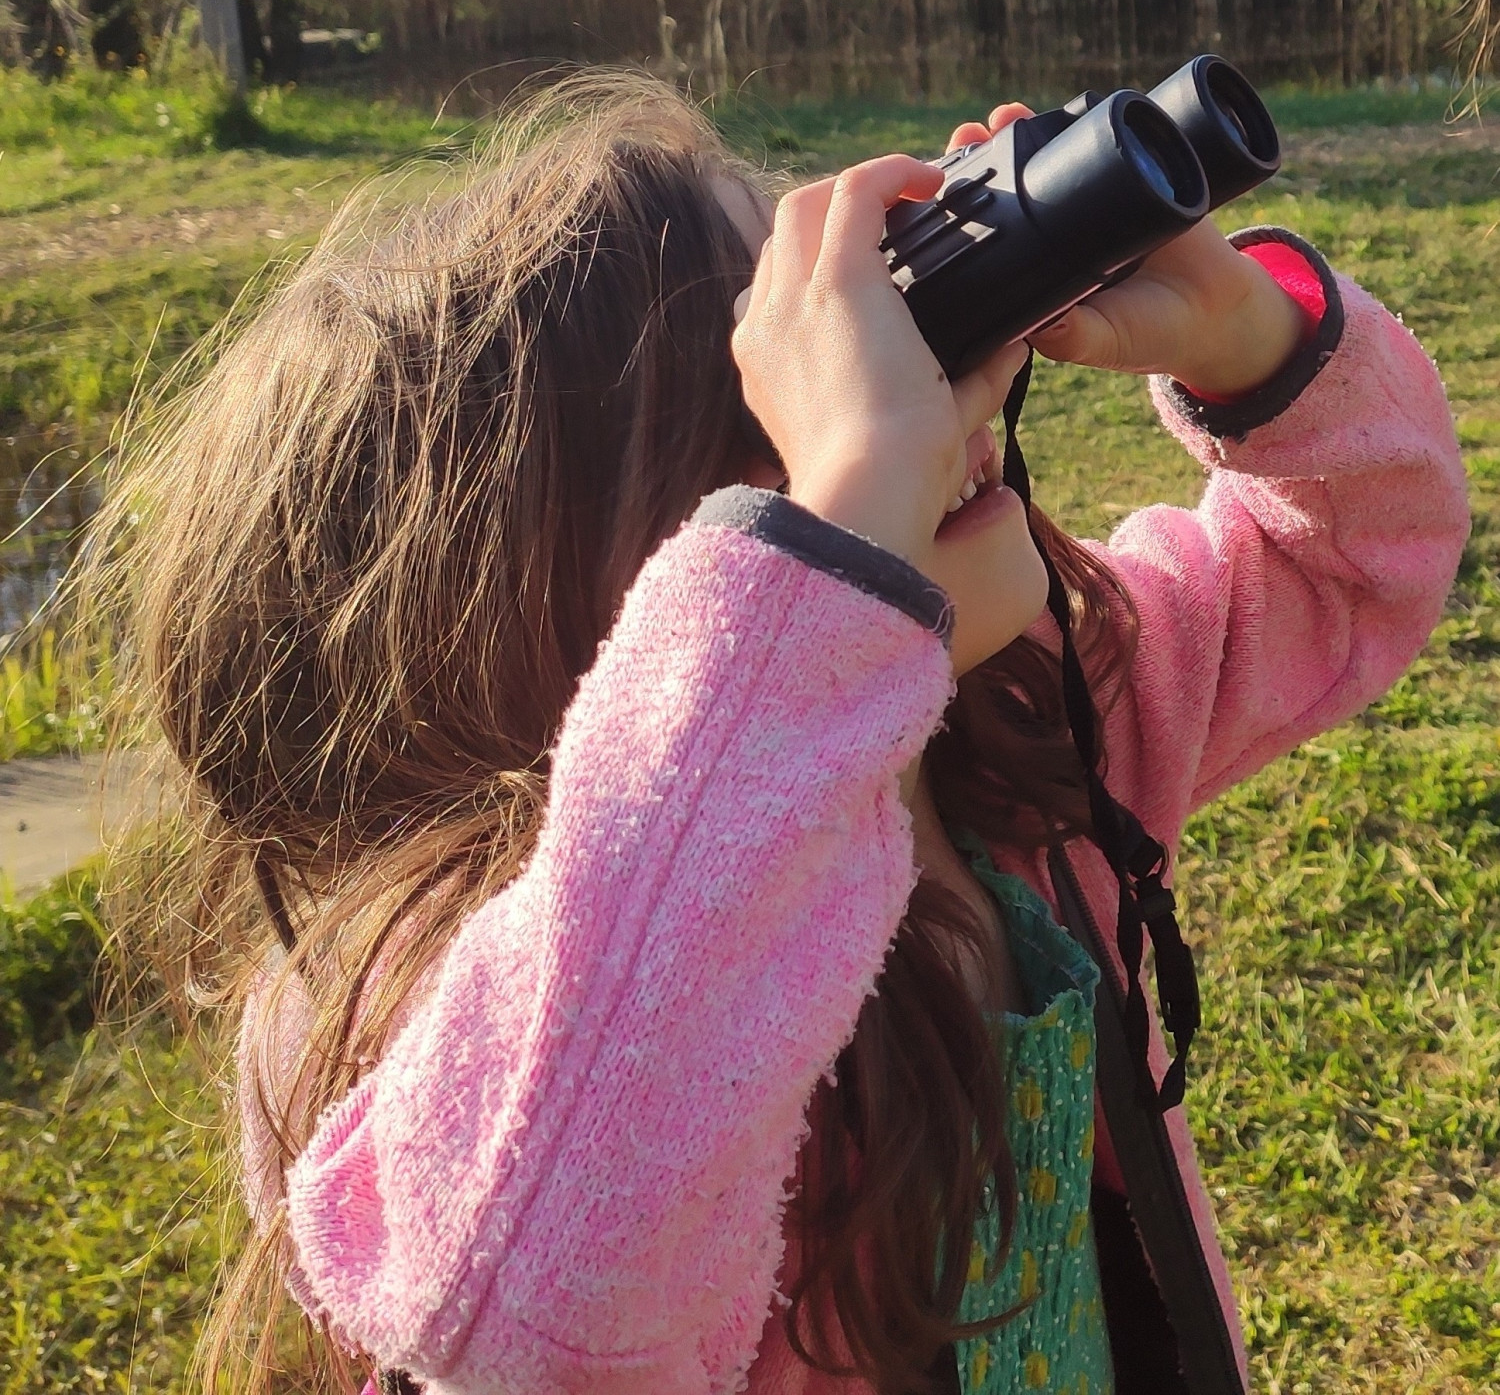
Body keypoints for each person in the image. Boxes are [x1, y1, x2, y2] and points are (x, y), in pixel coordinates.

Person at [100, 69, 1466, 1395]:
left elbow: (1348, 565)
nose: (920, 401)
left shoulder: (1015, 733)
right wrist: (847, 531)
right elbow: (543, 1306)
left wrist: (1245, 343)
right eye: (804, 396)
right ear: (569, 618)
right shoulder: (456, 1006)